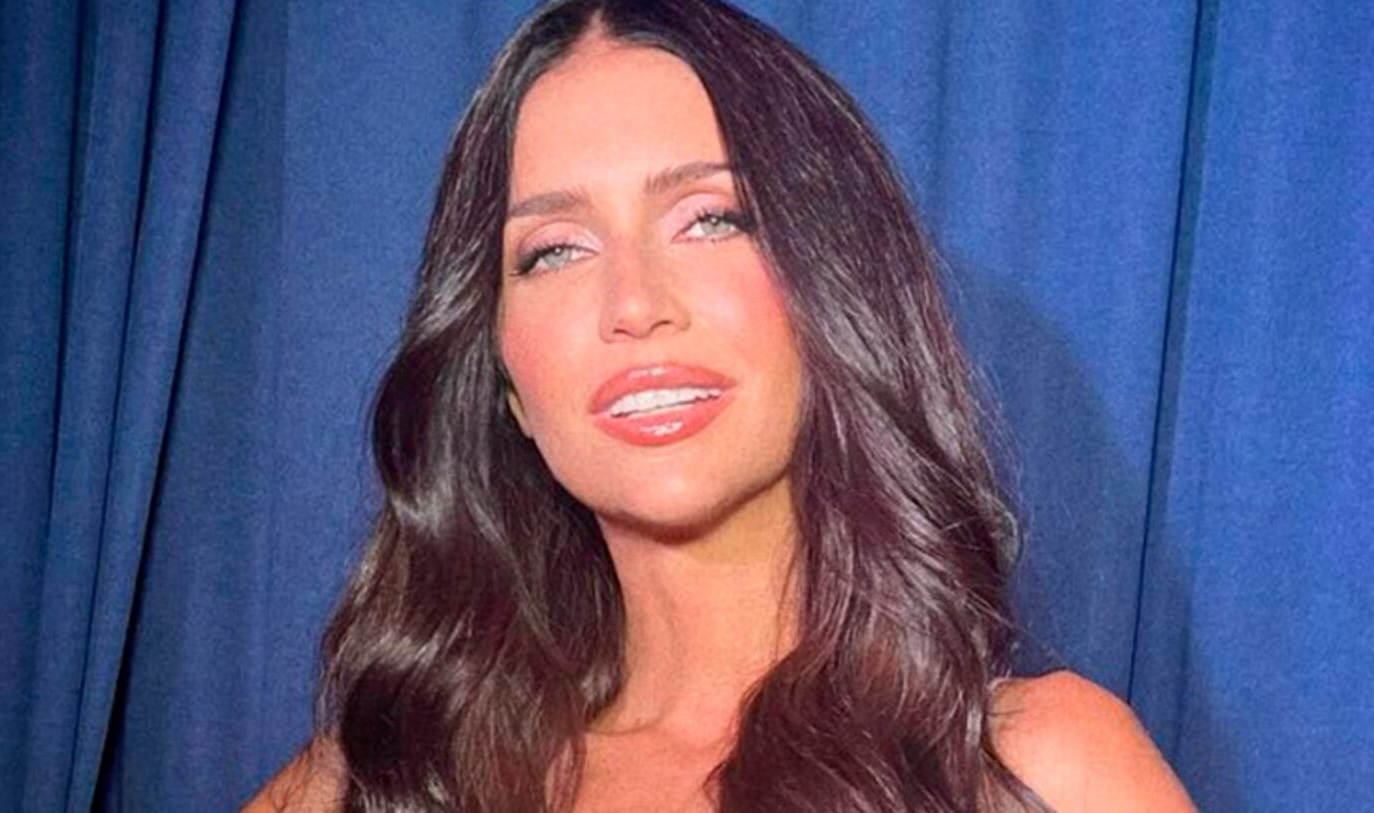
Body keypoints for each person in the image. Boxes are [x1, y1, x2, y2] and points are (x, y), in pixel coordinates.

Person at [245, 0, 1196, 810]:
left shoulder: (1039, 771)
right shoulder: (376, 782)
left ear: (836, 294)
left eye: (711, 219)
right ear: (504, 384)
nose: (634, 303)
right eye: (555, 249)